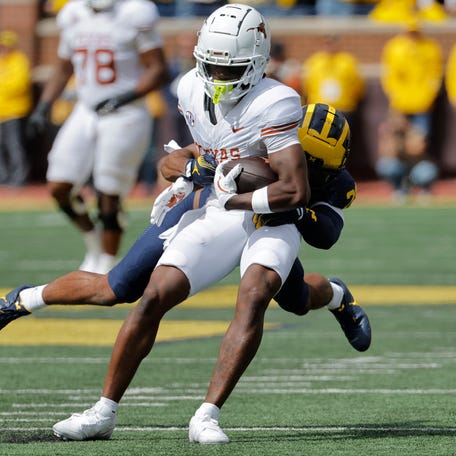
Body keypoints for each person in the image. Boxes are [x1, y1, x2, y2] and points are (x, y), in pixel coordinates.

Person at [2, 4, 370, 443]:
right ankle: (36, 320)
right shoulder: (193, 88)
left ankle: (208, 414)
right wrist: (190, 173)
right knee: (130, 289)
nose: (217, 76)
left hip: (264, 213)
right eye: (211, 64)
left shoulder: (279, 107)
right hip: (218, 206)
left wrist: (237, 192)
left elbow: (299, 200)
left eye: (228, 67)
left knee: (257, 295)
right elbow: (183, 157)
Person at [26, 0, 168, 274]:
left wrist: (124, 97)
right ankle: (93, 238)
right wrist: (44, 105)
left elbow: (157, 69)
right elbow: (64, 67)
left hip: (126, 113)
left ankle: (106, 261)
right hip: (86, 109)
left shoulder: (134, 13)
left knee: (108, 193)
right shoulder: (73, 14)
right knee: (58, 186)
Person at [375, 17, 442, 202]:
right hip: (401, 103)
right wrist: (398, 106)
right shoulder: (394, 47)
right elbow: (387, 150)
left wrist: (425, 97)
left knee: (423, 162)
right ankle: (400, 186)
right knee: (387, 164)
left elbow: (417, 148)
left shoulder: (429, 47)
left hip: (421, 104)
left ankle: (422, 186)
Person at [301, 33, 365, 127]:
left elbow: (358, 86)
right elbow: (307, 86)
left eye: (332, 43)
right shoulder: (315, 62)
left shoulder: (347, 61)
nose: (330, 46)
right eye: (327, 43)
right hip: (319, 110)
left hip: (343, 109)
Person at [0, 30, 33, 186]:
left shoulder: (19, 61)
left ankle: (19, 176)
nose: (3, 49)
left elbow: (19, 85)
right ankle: (3, 176)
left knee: (14, 145)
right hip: (1, 112)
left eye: (5, 46)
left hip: (14, 111)